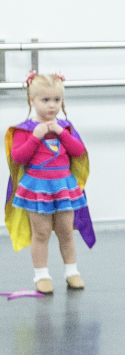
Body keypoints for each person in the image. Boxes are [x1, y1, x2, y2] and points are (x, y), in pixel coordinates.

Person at [4, 71, 94, 293]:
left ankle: (72, 271)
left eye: (56, 100)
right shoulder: (24, 130)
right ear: (31, 100)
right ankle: (41, 275)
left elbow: (78, 151)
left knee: (66, 231)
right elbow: (18, 157)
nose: (51, 106)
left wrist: (62, 133)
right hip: (37, 188)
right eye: (45, 100)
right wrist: (35, 137)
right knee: (41, 232)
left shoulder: (65, 127)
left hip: (63, 186)